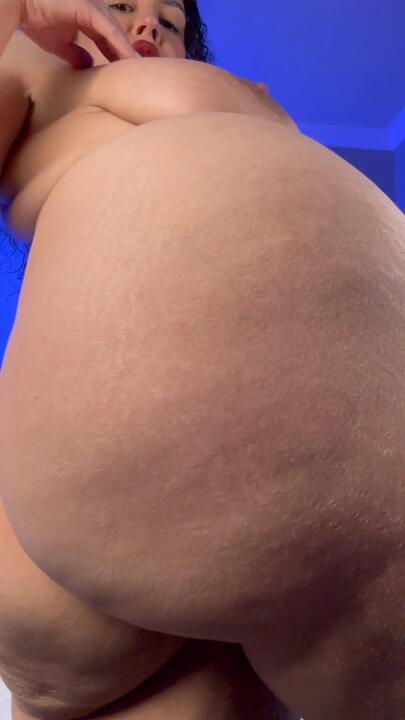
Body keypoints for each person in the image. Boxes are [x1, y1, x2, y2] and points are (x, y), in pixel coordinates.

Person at [0, 2, 404, 720]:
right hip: (146, 452)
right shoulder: (37, 68)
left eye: (170, 21)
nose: (146, 24)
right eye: (119, 5)